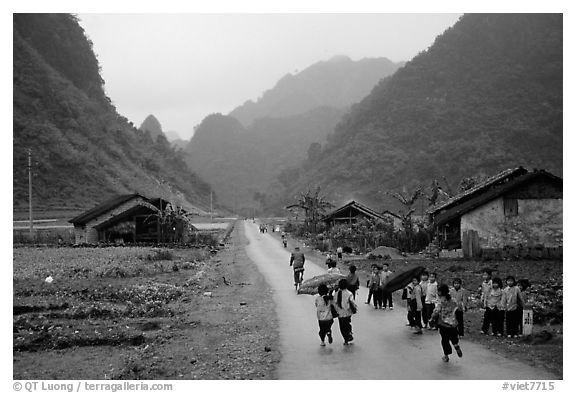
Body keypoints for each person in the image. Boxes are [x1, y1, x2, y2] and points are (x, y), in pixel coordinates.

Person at [431, 284, 463, 362]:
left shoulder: (440, 301)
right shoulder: (453, 300)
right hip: (453, 323)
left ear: (440, 292)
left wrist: (432, 318)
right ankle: (455, 344)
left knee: (445, 340)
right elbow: (459, 308)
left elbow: (436, 311)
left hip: (443, 324)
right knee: (453, 337)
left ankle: (446, 356)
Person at [333, 279, 357, 345]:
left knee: (342, 326)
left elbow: (334, 303)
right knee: (348, 323)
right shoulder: (349, 293)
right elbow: (352, 302)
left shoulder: (337, 293)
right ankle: (349, 332)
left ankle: (345, 339)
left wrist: (337, 310)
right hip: (348, 312)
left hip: (340, 313)